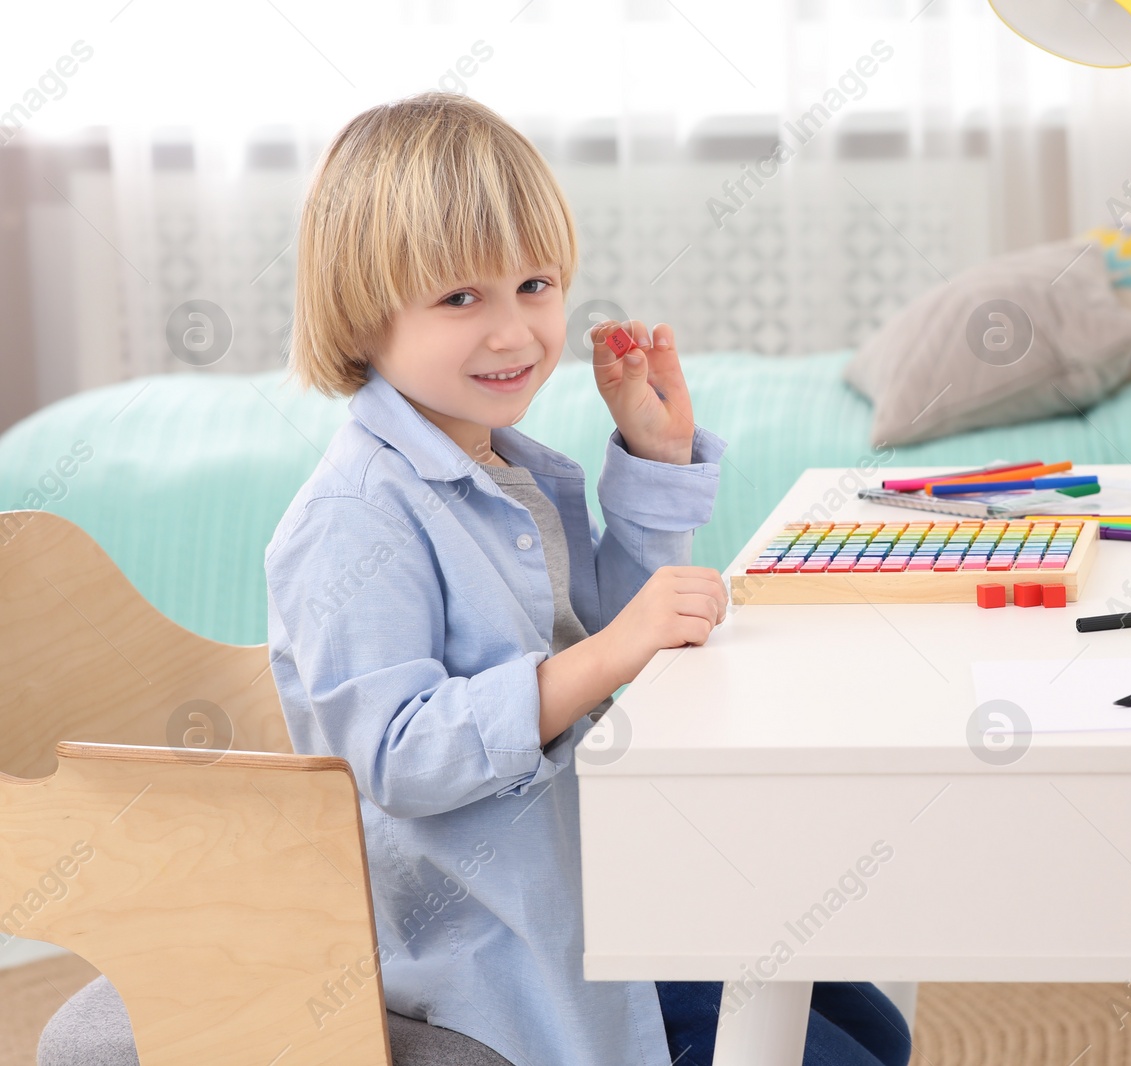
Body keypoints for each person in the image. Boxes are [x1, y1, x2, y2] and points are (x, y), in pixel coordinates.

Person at [265, 91, 912, 1066]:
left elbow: (615, 629)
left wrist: (656, 460)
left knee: (872, 1027)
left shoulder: (501, 468)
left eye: (534, 284)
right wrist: (611, 653)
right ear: (362, 312)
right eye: (459, 298)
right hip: (499, 939)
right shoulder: (355, 513)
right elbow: (398, 753)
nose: (514, 331)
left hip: (612, 881)